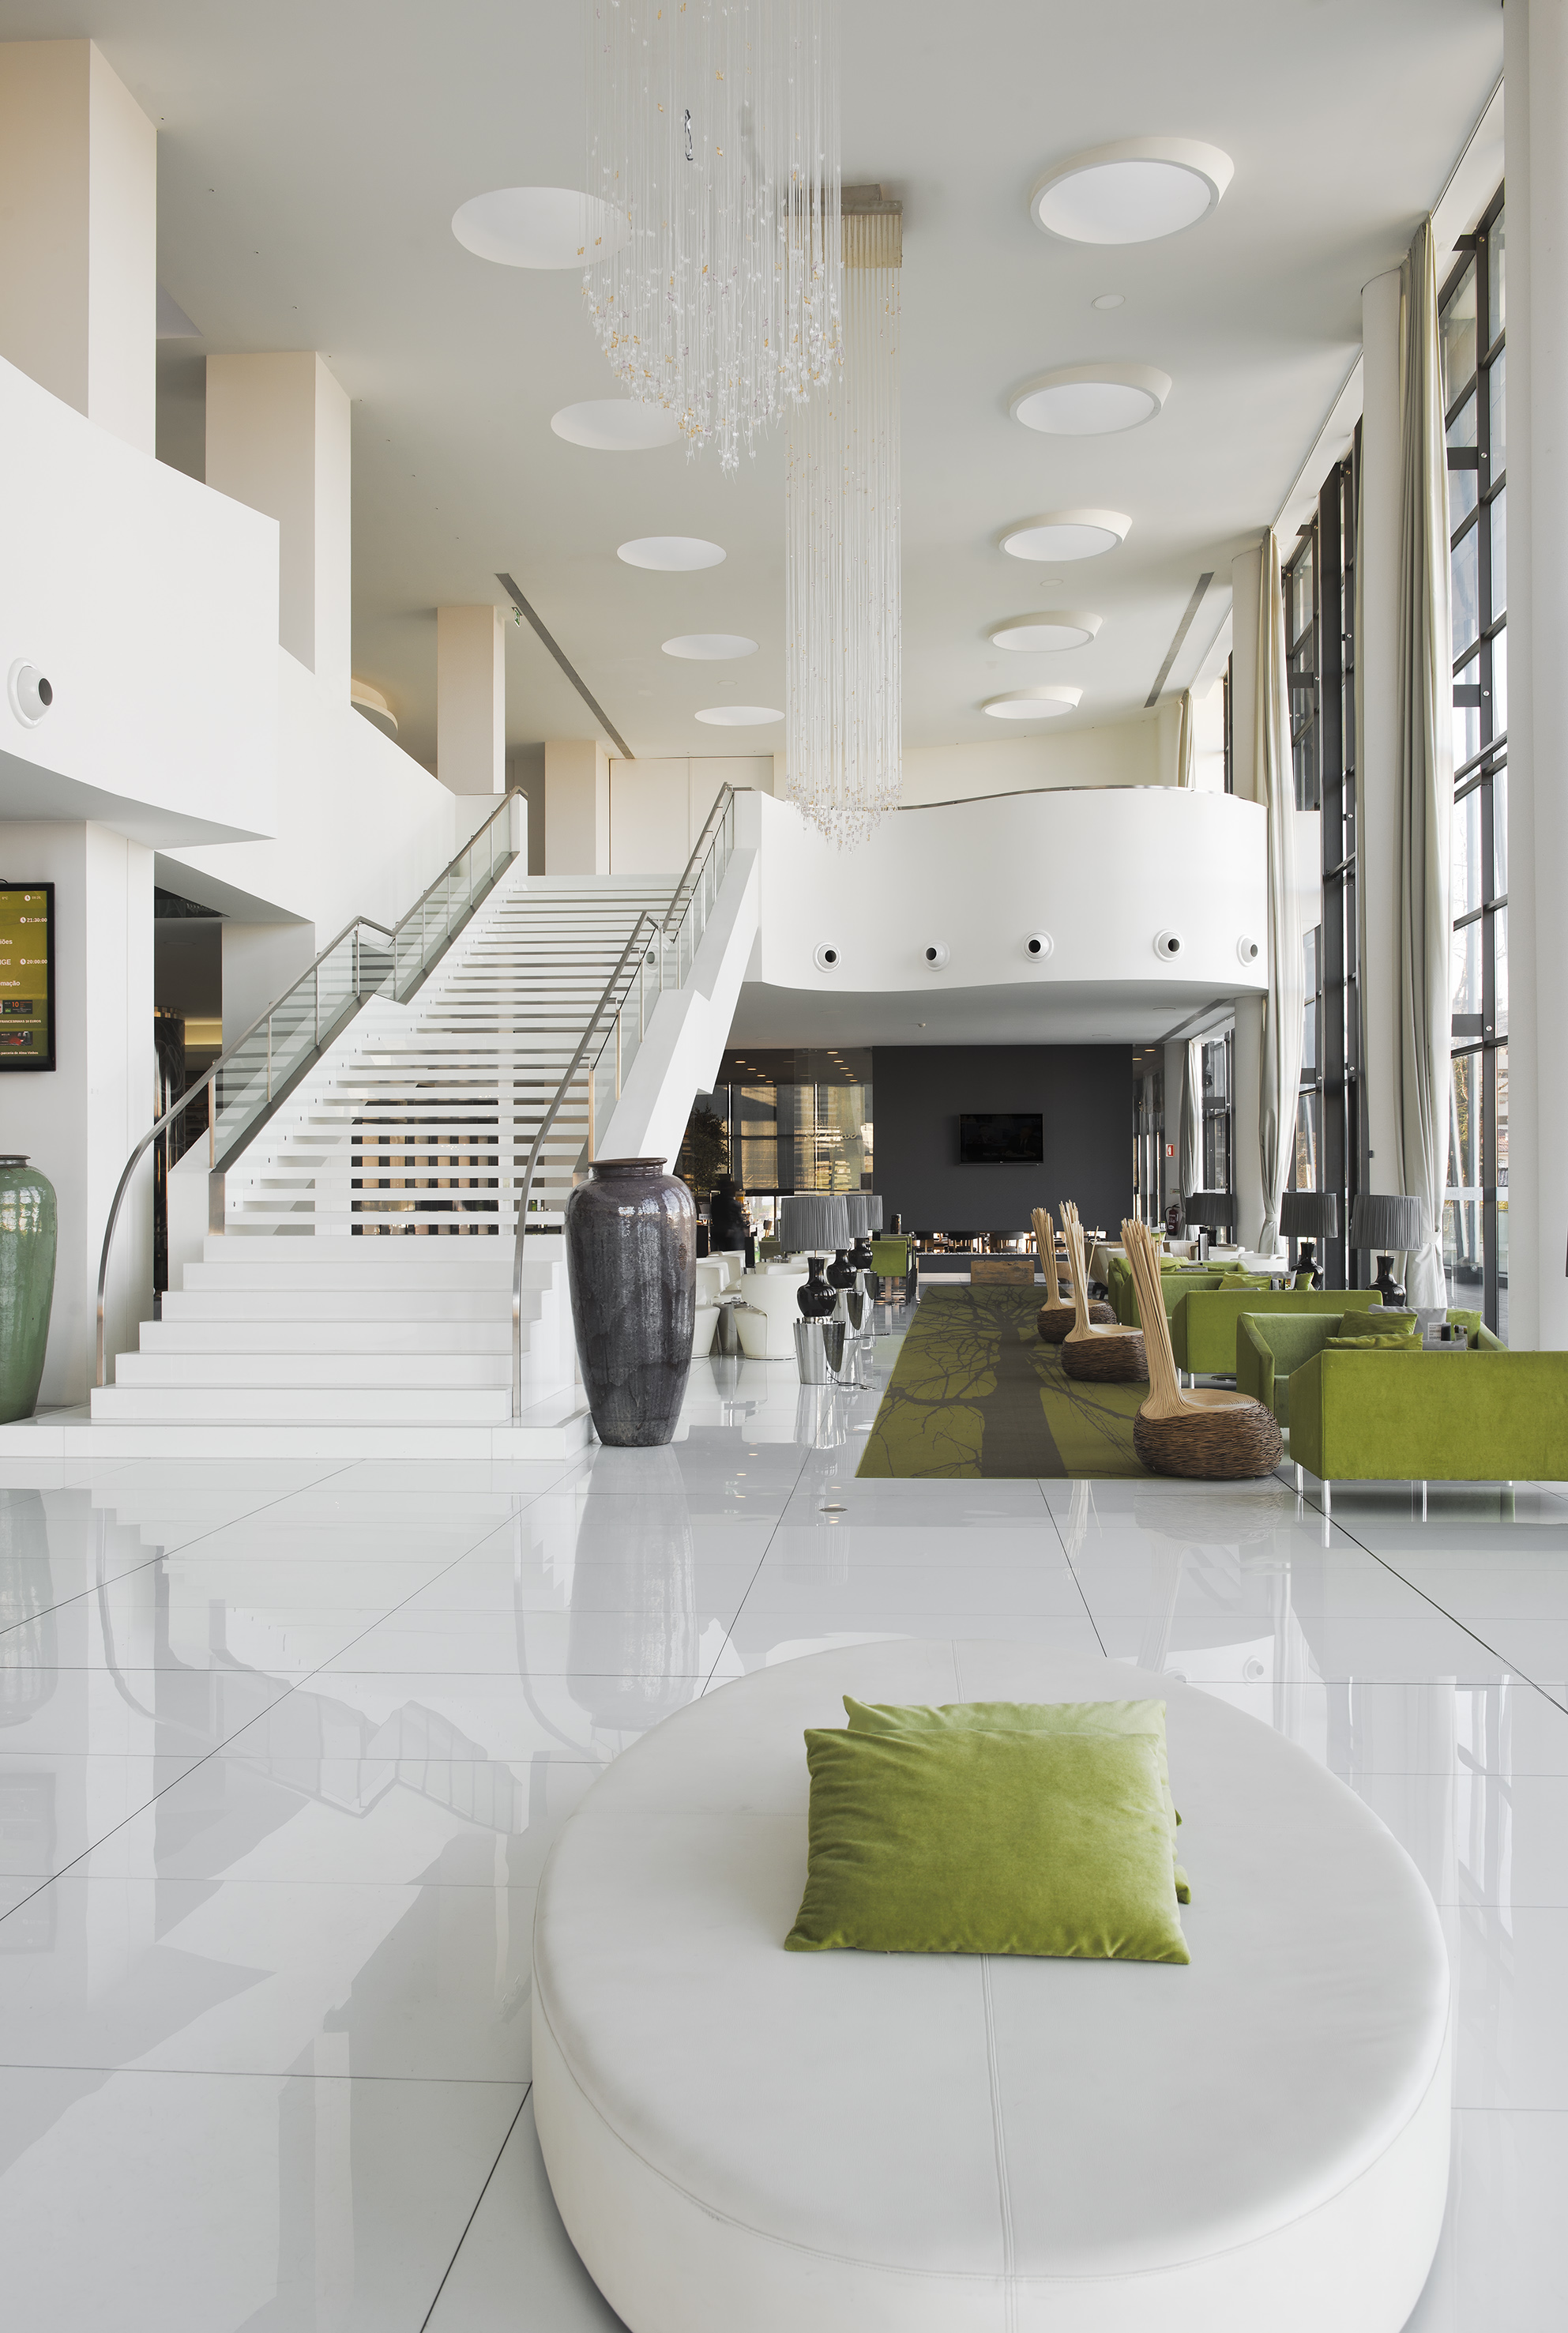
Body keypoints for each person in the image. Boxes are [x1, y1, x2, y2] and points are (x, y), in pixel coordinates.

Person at [709, 1175, 754, 1267]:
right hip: (731, 1233)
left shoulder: (715, 1200)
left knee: (722, 1255)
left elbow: (714, 1216)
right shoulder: (731, 1203)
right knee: (736, 1256)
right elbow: (737, 1218)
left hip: (717, 1233)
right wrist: (742, 1228)